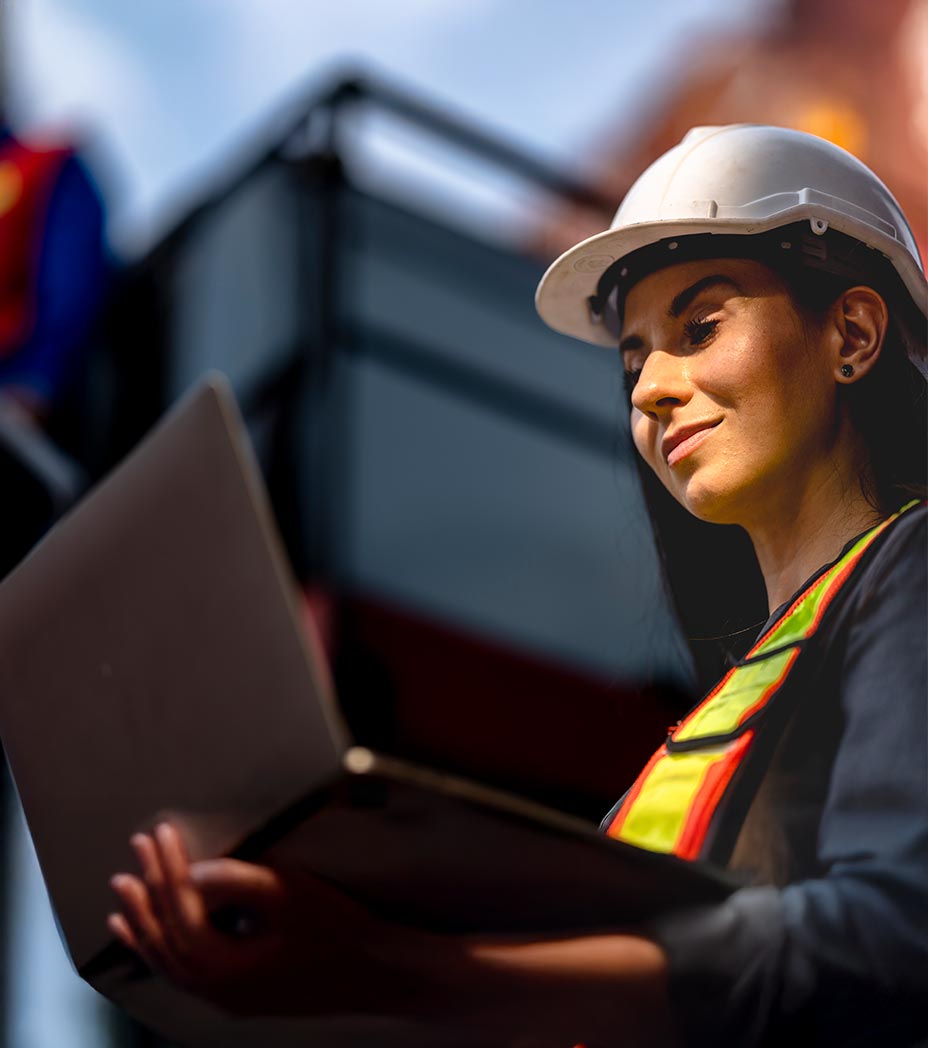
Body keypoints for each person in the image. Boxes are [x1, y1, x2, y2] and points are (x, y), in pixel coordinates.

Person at [107, 125, 928, 1047]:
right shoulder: (731, 708)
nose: (649, 389)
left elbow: (889, 941)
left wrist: (393, 969)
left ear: (853, 334)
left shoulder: (911, 568)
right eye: (633, 363)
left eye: (700, 328)